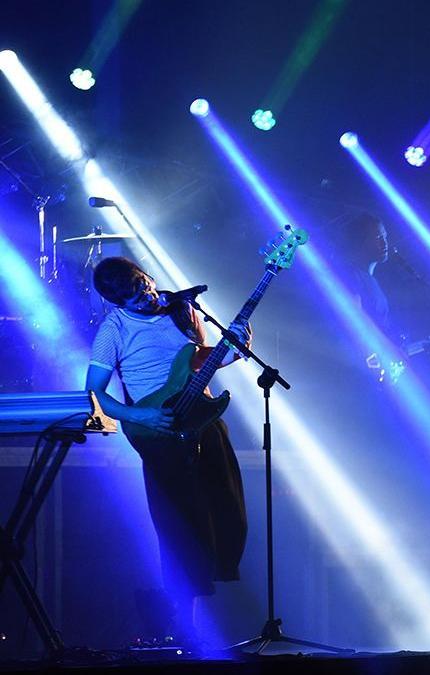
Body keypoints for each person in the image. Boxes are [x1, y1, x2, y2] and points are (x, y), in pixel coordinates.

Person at [84, 256, 249, 643]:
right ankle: (185, 622)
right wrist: (139, 417)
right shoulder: (115, 328)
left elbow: (200, 362)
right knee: (181, 525)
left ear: (147, 276)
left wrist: (237, 347)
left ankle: (217, 611)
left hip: (203, 420)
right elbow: (93, 391)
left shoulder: (182, 309)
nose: (145, 298)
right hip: (157, 429)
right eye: (133, 298)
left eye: (144, 286)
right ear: (116, 303)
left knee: (229, 511)